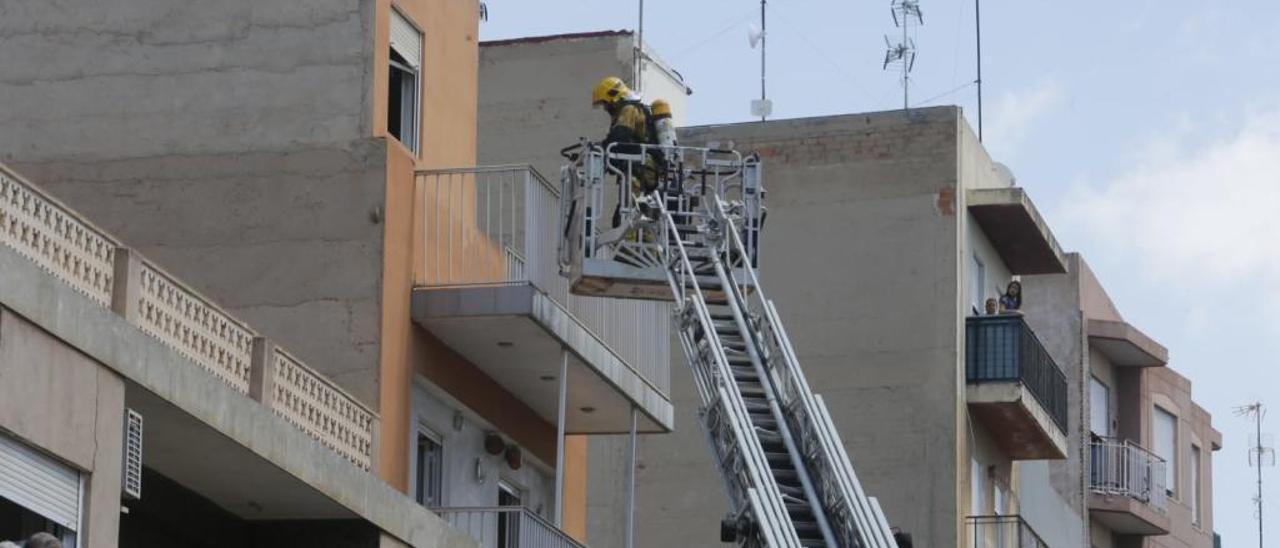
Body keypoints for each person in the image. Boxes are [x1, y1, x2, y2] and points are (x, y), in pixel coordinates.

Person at [591, 76, 662, 224]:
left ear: (613, 97)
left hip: (639, 170)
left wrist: (601, 149)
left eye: (605, 103)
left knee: (628, 218)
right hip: (639, 170)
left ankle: (636, 244)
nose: (605, 108)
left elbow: (620, 136)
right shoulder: (631, 109)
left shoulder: (628, 110)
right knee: (624, 217)